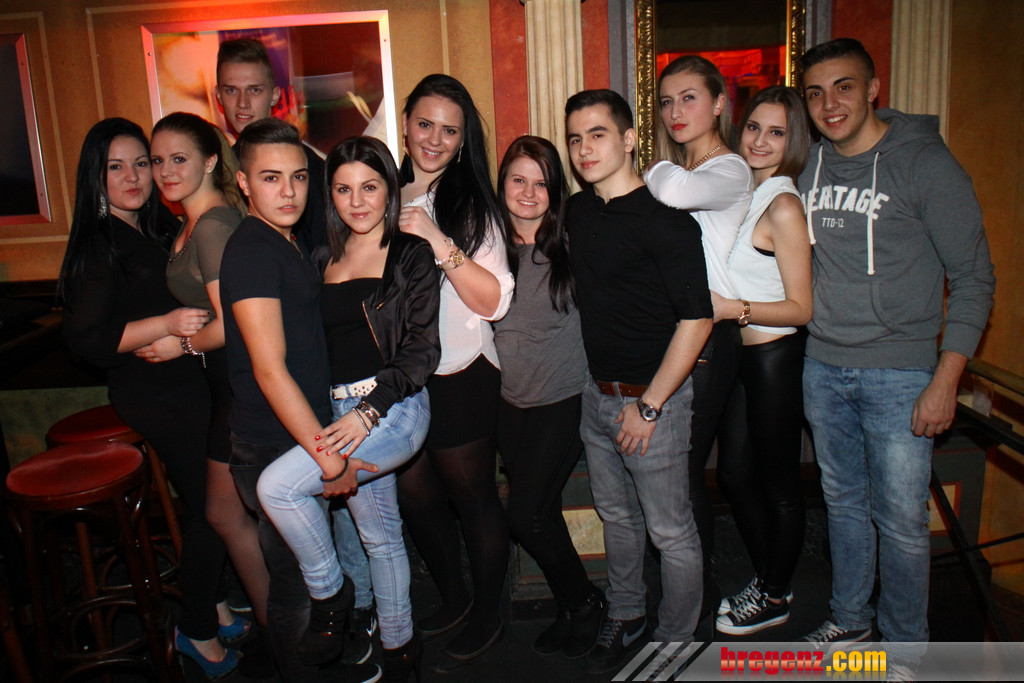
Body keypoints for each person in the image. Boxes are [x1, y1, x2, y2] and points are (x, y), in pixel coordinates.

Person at [796, 38, 994, 670]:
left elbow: (974, 279)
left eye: (844, 87)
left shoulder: (925, 163)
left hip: (901, 371)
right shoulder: (809, 166)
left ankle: (905, 647)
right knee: (843, 506)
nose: (830, 104)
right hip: (822, 365)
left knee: (903, 520)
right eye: (816, 93)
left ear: (874, 89)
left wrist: (946, 379)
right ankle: (851, 621)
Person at [58, 118, 240, 679]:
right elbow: (88, 339)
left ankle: (215, 604)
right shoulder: (100, 241)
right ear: (96, 176)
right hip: (154, 392)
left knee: (209, 500)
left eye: (144, 163)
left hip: (184, 382)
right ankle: (196, 630)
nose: (135, 176)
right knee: (213, 507)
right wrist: (166, 324)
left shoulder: (156, 227)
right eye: (116, 167)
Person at [256, 136, 440, 682]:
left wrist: (365, 414)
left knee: (277, 488)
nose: (357, 202)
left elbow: (421, 352)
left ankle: (330, 597)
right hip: (338, 413)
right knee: (381, 536)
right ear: (330, 195)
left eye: (370, 187)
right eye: (343, 189)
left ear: (389, 190)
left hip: (394, 408)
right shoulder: (320, 257)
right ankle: (401, 651)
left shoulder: (409, 254)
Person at [216, 38, 374, 642]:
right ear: (244, 183)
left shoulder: (281, 243)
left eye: (299, 177)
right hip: (272, 443)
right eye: (271, 178)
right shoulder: (253, 251)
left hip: (294, 436)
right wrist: (328, 455)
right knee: (296, 590)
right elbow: (269, 369)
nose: (288, 191)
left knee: (310, 581)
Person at [564, 89, 712, 675]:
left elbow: (697, 320)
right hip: (596, 395)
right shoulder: (578, 212)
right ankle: (626, 615)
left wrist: (648, 407)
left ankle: (675, 644)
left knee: (670, 533)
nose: (584, 148)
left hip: (655, 404)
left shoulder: (665, 221)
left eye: (598, 134)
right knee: (617, 519)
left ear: (629, 140)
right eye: (575, 138)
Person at [394, 73, 515, 673]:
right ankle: (456, 595)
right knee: (415, 495)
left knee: (473, 498)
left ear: (464, 140)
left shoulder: (471, 204)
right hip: (398, 376)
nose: (434, 139)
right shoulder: (381, 191)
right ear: (405, 125)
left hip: (461, 370)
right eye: (425, 124)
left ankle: (491, 611)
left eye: (449, 130)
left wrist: (436, 237)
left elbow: (494, 300)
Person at [134, 112, 270, 644]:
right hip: (222, 387)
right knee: (231, 515)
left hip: (237, 387)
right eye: (157, 160)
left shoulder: (213, 226)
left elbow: (235, 323)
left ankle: (279, 633)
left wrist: (181, 344)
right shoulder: (191, 223)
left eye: (179, 159)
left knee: (229, 515)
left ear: (211, 160)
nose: (165, 171)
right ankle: (277, 630)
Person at [643, 56, 753, 608]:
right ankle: (684, 594)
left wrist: (648, 166)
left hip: (709, 337)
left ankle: (697, 601)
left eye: (689, 97)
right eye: (666, 101)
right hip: (682, 332)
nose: (675, 111)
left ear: (718, 104)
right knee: (672, 475)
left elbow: (672, 189)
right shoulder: (688, 171)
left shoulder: (729, 169)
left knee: (682, 476)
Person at [492, 136, 604, 658]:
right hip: (509, 402)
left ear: (556, 191)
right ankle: (570, 605)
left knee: (527, 514)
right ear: (502, 185)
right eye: (518, 180)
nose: (528, 192)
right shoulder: (488, 250)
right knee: (542, 511)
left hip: (562, 398)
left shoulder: (572, 247)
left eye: (541, 183)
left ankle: (585, 602)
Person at [708, 86, 812, 635]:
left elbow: (802, 308)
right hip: (741, 358)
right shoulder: (748, 193)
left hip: (775, 357)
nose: (761, 141)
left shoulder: (784, 205)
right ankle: (772, 577)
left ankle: (773, 595)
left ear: (794, 141)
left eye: (777, 132)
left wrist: (735, 309)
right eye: (754, 127)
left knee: (779, 486)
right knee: (732, 475)